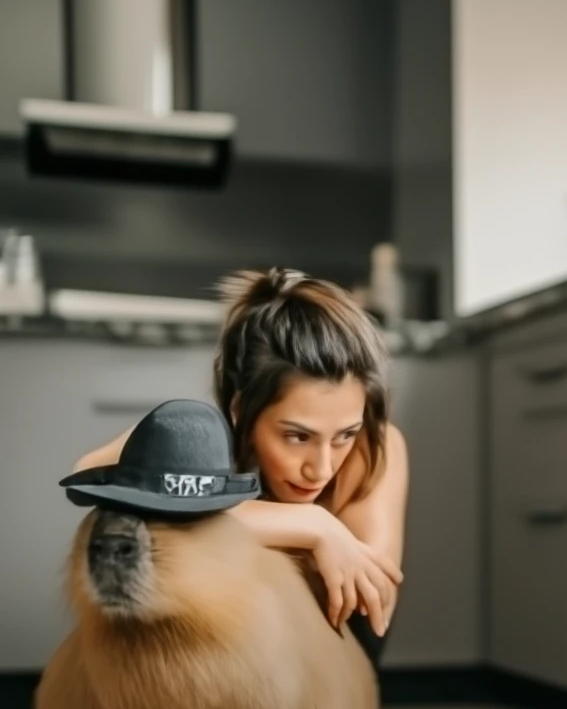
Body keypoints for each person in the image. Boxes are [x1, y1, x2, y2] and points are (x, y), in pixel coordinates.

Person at [72, 266, 409, 668]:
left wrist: (194, 516)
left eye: (343, 435)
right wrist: (317, 527)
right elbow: (89, 473)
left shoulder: (377, 443)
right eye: (297, 436)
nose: (321, 468)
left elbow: (366, 597)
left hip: (331, 666)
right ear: (239, 411)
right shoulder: (204, 434)